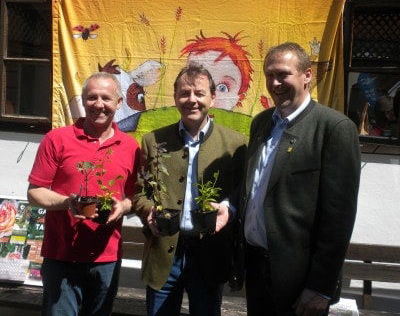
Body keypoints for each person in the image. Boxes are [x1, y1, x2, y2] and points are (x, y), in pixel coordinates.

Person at [241, 42, 360, 316]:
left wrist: (321, 287)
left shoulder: (334, 129)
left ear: (307, 75)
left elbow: (338, 218)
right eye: (269, 74)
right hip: (258, 269)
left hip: (300, 282)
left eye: (283, 74)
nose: (274, 82)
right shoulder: (260, 124)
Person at [133, 63, 247, 316]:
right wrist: (149, 211)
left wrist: (228, 208)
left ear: (213, 97)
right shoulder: (154, 141)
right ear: (175, 98)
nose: (191, 100)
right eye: (184, 93)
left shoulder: (235, 144)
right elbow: (138, 192)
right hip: (165, 253)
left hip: (209, 253)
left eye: (199, 93)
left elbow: (242, 191)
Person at [27, 72, 140, 316]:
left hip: (106, 257)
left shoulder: (131, 147)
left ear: (119, 103)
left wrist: (123, 206)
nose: (99, 104)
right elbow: (35, 193)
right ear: (83, 101)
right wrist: (67, 202)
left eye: (106, 98)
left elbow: (134, 196)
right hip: (61, 256)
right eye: (92, 98)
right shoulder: (57, 139)